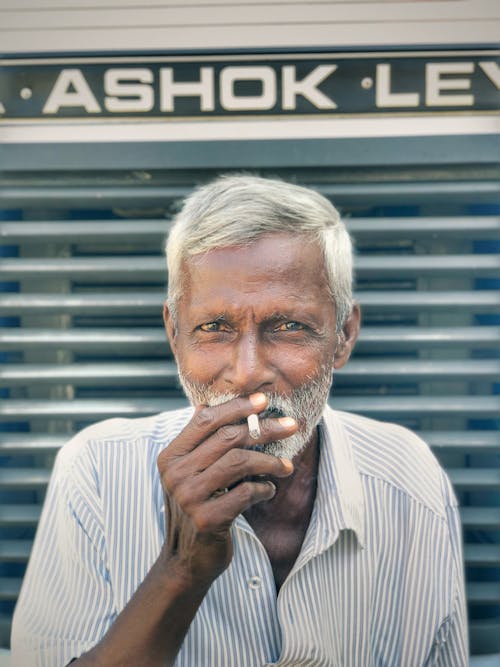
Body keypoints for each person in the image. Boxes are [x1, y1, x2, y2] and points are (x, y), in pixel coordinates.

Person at [11, 175, 468, 666]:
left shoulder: (408, 476)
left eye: (289, 326)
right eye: (213, 328)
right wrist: (181, 567)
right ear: (174, 333)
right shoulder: (98, 472)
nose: (248, 372)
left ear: (344, 335)